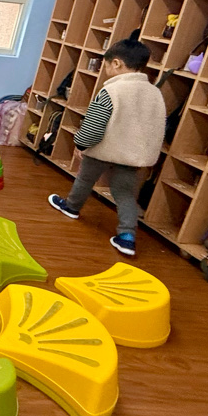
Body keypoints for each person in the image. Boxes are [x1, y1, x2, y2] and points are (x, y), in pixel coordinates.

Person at [48, 30, 166, 256]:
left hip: (103, 150)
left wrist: (81, 144)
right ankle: (127, 237)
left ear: (117, 63)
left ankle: (71, 207)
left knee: (85, 178)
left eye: (107, 66)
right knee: (125, 193)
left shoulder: (111, 91)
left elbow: (94, 125)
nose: (106, 71)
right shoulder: (154, 93)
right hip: (132, 155)